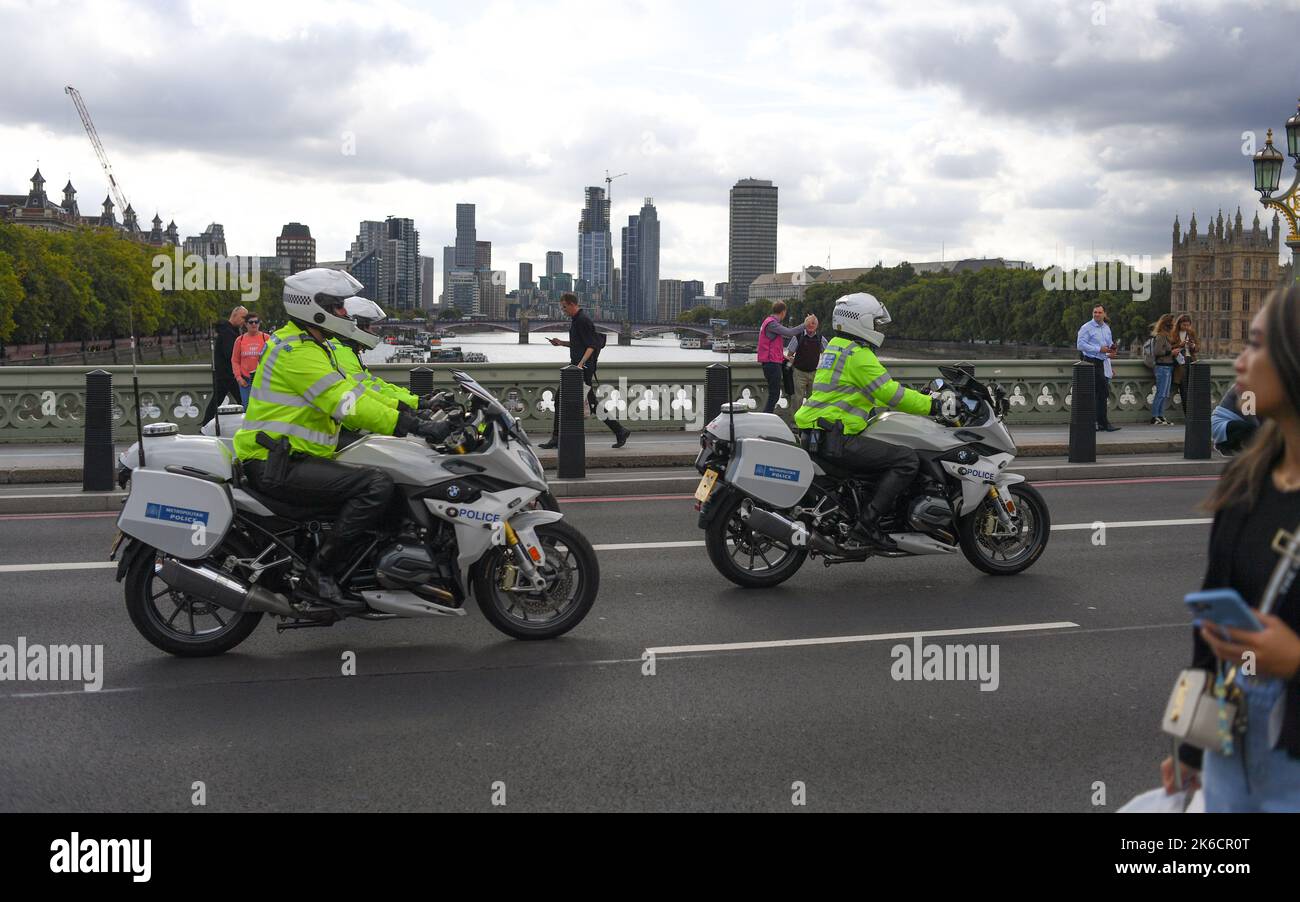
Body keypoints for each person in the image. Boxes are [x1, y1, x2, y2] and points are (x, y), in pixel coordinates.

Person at [233, 269, 452, 607]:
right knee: (375, 485)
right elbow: (346, 403)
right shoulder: (298, 352)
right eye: (337, 307)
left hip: (291, 455)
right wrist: (413, 424)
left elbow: (359, 391)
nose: (344, 315)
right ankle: (317, 575)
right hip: (277, 462)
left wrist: (411, 412)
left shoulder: (315, 345)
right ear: (313, 308)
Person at [1160, 286, 1300, 812]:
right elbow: (1211, 631)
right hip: (1231, 732)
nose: (1239, 362)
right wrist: (1191, 746)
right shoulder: (1246, 479)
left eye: (1257, 345)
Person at [794, 292, 940, 551]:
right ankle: (868, 525)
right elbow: (890, 394)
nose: (878, 328)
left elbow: (873, 388)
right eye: (875, 322)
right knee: (907, 460)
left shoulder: (835, 347)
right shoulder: (858, 355)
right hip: (837, 438)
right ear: (859, 321)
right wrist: (933, 404)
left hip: (818, 431)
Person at [538, 292, 630, 450]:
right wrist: (561, 343)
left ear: (572, 304)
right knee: (590, 403)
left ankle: (556, 438)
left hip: (580, 369)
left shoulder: (582, 320)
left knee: (561, 400)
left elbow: (592, 345)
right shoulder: (576, 320)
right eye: (562, 307)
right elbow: (579, 344)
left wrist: (580, 365)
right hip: (577, 368)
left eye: (564, 307)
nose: (563, 310)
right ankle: (620, 430)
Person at [758, 301, 815, 414]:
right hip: (772, 364)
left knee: (773, 395)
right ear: (783, 312)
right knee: (774, 395)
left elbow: (771, 346)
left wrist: (784, 357)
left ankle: (766, 417)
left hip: (771, 362)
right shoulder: (772, 324)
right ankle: (765, 418)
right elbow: (790, 332)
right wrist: (805, 324)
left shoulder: (769, 322)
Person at [1076, 304, 1121, 432]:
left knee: (1103, 393)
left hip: (1101, 363)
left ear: (1104, 314)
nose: (1097, 314)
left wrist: (1112, 348)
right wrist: (1098, 349)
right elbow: (1080, 345)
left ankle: (1101, 422)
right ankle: (1098, 422)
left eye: (1099, 312)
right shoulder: (1086, 327)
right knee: (1096, 393)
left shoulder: (1106, 328)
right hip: (1089, 362)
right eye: (1095, 312)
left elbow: (1108, 343)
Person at [202, 306, 246, 426]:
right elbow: (230, 353)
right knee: (244, 400)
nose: (244, 321)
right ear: (234, 315)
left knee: (216, 401)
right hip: (228, 374)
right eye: (243, 317)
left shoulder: (228, 331)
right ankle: (252, 424)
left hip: (225, 374)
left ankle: (205, 426)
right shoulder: (228, 332)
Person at [784, 314, 827, 423]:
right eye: (809, 323)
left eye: (813, 323)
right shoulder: (798, 337)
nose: (811, 326)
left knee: (812, 399)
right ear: (805, 324)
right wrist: (791, 359)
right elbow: (789, 354)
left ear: (817, 326)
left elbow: (827, 355)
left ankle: (810, 421)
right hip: (799, 372)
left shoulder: (820, 338)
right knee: (797, 399)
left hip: (814, 372)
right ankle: (795, 422)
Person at [231, 312, 269, 410]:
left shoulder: (266, 338)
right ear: (246, 324)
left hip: (262, 380)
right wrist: (239, 378)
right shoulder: (240, 340)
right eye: (251, 322)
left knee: (262, 408)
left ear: (259, 324)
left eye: (256, 322)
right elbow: (235, 360)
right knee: (247, 408)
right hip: (245, 381)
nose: (254, 324)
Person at [1212, 385, 1262, 457]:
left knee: (1253, 428)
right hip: (1222, 424)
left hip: (1232, 423)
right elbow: (1248, 414)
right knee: (1252, 428)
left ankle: (1233, 447)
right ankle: (1224, 445)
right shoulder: (1246, 387)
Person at [1148, 313, 1176, 425]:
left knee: (1165, 393)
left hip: (1168, 367)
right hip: (1162, 367)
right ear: (1167, 324)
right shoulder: (1161, 336)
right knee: (1160, 393)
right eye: (1172, 323)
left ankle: (1161, 416)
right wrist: (1171, 352)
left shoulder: (1167, 336)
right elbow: (1157, 352)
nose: (1174, 325)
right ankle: (1154, 417)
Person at [1170, 313, 1200, 416]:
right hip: (1180, 364)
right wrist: (1180, 344)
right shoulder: (1173, 334)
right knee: (1183, 389)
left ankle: (1193, 413)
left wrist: (1193, 345)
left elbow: (1198, 348)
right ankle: (1188, 414)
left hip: (1191, 361)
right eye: (1184, 325)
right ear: (1179, 324)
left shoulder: (1191, 333)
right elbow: (1169, 348)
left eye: (1188, 325)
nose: (1186, 327)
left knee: (1192, 388)